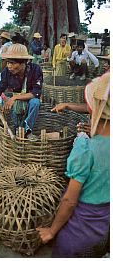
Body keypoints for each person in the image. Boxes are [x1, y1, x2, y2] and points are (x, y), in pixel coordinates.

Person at [37, 72, 110, 257]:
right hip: (105, 225)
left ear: (94, 108)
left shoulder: (86, 148)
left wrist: (51, 231)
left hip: (80, 230)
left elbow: (69, 201)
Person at [0, 43, 43, 141]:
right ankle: (17, 129)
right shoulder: (7, 72)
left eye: (12, 63)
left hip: (29, 100)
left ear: (23, 63)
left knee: (35, 102)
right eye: (8, 62)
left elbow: (35, 93)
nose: (9, 66)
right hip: (16, 104)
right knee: (11, 107)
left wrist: (14, 97)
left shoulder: (35, 69)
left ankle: (27, 131)